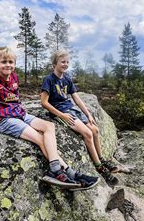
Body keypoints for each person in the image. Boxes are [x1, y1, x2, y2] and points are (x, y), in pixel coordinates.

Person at [0, 46, 99, 190]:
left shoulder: (14, 77)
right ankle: (62, 171)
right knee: (40, 139)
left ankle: (64, 172)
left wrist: (21, 110)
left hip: (20, 114)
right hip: (6, 119)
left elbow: (14, 98)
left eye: (10, 62)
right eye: (3, 62)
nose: (8, 65)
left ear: (14, 64)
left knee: (49, 127)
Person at [40, 50, 120, 186]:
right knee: (87, 133)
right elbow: (44, 102)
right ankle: (99, 167)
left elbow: (76, 98)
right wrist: (61, 115)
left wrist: (88, 114)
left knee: (94, 129)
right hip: (60, 112)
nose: (65, 64)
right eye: (62, 62)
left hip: (71, 109)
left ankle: (101, 158)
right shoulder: (49, 80)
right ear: (54, 64)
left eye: (67, 62)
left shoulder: (67, 79)